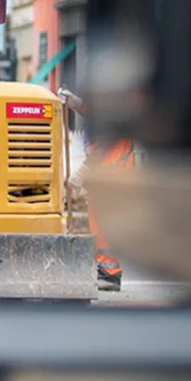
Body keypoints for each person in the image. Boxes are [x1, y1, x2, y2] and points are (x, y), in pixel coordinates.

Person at [58, 87, 133, 292]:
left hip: (111, 178)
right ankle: (105, 270)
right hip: (110, 177)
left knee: (103, 228)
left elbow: (104, 146)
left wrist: (83, 171)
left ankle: (109, 274)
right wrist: (76, 104)